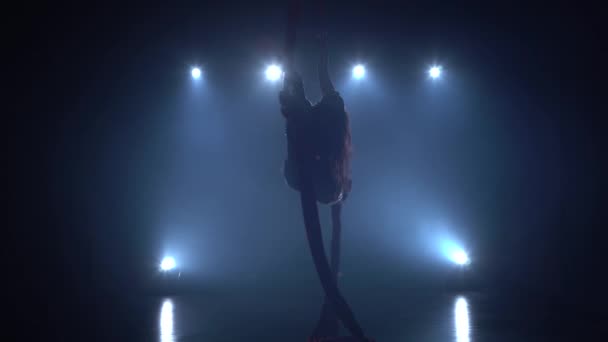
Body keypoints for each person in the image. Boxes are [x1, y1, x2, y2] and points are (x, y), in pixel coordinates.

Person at [280, 34, 352, 205]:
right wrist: (323, 55)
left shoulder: (330, 118)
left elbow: (324, 82)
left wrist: (323, 55)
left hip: (310, 144)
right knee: (296, 90)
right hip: (311, 141)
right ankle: (290, 68)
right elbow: (325, 82)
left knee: (296, 90)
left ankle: (290, 68)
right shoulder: (332, 115)